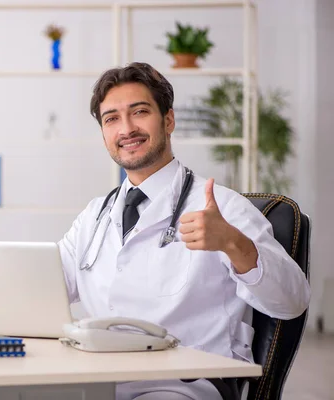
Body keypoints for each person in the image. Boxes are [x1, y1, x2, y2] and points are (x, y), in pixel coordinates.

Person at [58, 62, 311, 400]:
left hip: (181, 386)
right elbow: (44, 286)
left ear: (168, 120)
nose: (127, 128)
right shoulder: (95, 215)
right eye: (112, 119)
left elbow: (293, 300)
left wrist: (235, 244)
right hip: (99, 380)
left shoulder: (224, 207)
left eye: (140, 112)